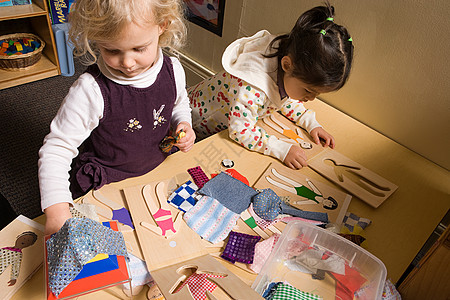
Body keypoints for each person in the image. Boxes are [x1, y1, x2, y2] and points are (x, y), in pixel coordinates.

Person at [39, 0, 195, 235]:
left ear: (162, 25)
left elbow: (178, 102)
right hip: (109, 182)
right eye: (112, 50)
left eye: (139, 48)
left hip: (159, 169)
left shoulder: (174, 69)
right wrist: (57, 211)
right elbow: (56, 149)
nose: (127, 63)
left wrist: (183, 123)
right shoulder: (90, 90)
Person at [188, 2, 353, 170]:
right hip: (194, 127)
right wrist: (281, 149)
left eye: (317, 94)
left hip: (219, 127)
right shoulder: (251, 87)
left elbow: (284, 98)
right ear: (287, 65)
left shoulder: (288, 61)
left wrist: (311, 123)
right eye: (309, 91)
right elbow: (240, 131)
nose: (310, 99)